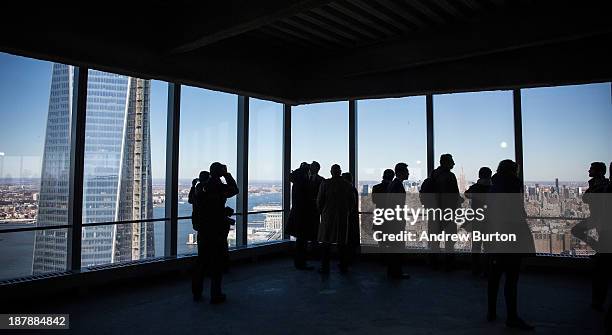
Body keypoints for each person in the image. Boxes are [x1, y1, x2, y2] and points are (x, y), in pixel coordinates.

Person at [485, 159, 534, 330]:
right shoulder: (513, 185)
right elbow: (518, 214)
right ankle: (512, 317)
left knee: (494, 277)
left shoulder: (493, 186)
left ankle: (491, 312)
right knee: (511, 279)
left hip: (495, 238)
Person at [192, 162, 238, 304]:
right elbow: (235, 189)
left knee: (202, 261)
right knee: (216, 263)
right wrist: (227, 175)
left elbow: (203, 206)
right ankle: (215, 294)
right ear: (219, 172)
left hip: (204, 229)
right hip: (216, 230)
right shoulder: (218, 186)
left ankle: (197, 292)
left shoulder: (201, 187)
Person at [570, 162, 610, 311]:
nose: (588, 170)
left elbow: (587, 199)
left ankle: (598, 301)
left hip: (602, 221)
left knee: (601, 269)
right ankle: (599, 249)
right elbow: (587, 199)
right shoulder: (599, 184)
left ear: (598, 171)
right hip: (599, 220)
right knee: (576, 230)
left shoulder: (604, 185)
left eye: (591, 169)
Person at [317, 165, 356, 274]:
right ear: (340, 172)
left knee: (326, 243)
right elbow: (352, 202)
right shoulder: (347, 185)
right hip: (342, 216)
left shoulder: (325, 184)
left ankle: (325, 267)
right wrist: (347, 212)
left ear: (331, 172)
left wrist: (323, 212)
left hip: (328, 216)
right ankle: (343, 266)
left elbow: (320, 200)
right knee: (342, 243)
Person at [429, 154, 463, 270]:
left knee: (434, 240)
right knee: (449, 240)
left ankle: (433, 263)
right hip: (448, 211)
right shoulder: (450, 176)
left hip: (435, 211)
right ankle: (449, 264)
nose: (453, 164)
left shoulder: (434, 174)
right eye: (451, 161)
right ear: (446, 162)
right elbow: (454, 195)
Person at [286, 162, 317, 270]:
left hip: (297, 215)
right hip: (304, 216)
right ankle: (301, 263)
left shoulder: (297, 183)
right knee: (302, 241)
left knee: (300, 241)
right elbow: (309, 198)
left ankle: (299, 263)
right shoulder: (304, 182)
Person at [383, 163, 410, 279]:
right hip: (396, 221)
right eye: (406, 171)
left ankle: (392, 270)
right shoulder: (397, 185)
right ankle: (396, 272)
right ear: (401, 172)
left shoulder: (393, 184)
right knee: (397, 247)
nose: (408, 173)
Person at [464, 167, 492, 276]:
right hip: (490, 220)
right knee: (488, 246)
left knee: (476, 246)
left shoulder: (475, 188)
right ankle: (487, 269)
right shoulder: (493, 188)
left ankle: (475, 269)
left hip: (477, 220)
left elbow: (467, 194)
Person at [342, 172, 361, 268]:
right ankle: (349, 259)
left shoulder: (348, 190)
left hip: (348, 219)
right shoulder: (353, 189)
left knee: (347, 240)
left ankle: (346, 260)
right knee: (350, 240)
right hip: (352, 219)